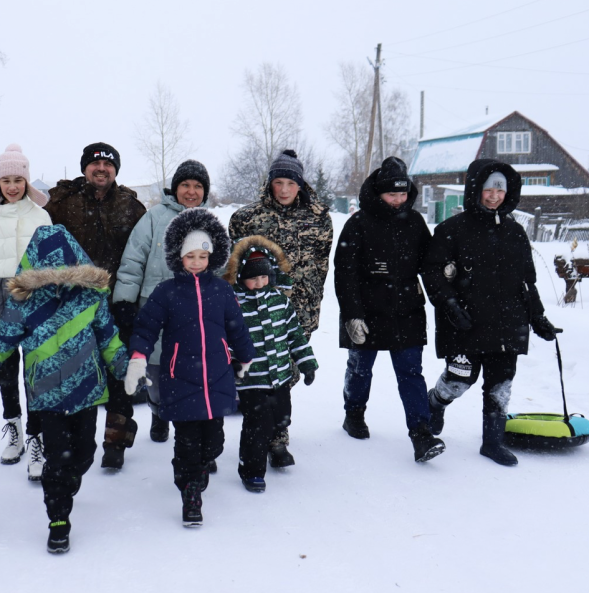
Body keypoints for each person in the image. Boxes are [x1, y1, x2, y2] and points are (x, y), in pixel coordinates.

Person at [0, 225, 128, 554]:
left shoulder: (90, 297)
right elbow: (5, 335)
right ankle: (58, 517)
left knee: (85, 454)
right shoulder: (25, 303)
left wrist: (123, 365)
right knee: (57, 459)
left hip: (87, 391)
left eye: (64, 273)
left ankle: (67, 483)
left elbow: (108, 335)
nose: (56, 279)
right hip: (46, 396)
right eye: (48, 274)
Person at [421, 159, 562, 466]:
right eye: (488, 190)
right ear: (476, 190)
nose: (495, 196)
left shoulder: (515, 233)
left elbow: (527, 282)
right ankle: (435, 403)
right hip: (464, 323)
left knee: (501, 383)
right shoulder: (451, 230)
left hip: (506, 325)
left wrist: (537, 317)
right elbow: (432, 272)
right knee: (459, 380)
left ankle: (492, 442)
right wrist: (450, 305)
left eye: (501, 190)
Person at [125, 208, 255, 527]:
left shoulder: (222, 291)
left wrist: (245, 356)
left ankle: (199, 468)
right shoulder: (166, 293)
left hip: (216, 376)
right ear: (179, 258)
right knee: (187, 444)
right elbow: (145, 328)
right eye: (190, 256)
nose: (196, 262)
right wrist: (138, 358)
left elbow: (236, 326)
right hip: (180, 377)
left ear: (212, 256)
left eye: (202, 255)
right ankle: (191, 493)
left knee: (214, 443)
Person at [333, 157, 445, 462]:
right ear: (378, 193)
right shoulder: (358, 223)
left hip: (406, 309)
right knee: (360, 368)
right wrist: (352, 314)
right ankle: (353, 413)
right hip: (366, 311)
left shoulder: (415, 222)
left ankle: (421, 433)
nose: (398, 201)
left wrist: (445, 275)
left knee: (411, 372)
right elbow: (344, 272)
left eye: (403, 194)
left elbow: (429, 262)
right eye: (391, 195)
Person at [228, 149, 333, 467]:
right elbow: (235, 265)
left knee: (287, 375)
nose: (285, 189)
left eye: (291, 182)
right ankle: (264, 437)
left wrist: (313, 302)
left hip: (300, 310)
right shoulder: (247, 218)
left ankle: (278, 436)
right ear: (270, 184)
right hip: (258, 308)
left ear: (300, 185)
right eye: (279, 182)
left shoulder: (318, 218)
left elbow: (322, 265)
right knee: (261, 373)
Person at [45, 142, 147, 469]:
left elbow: (144, 253)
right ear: (84, 168)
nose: (101, 169)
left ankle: (115, 441)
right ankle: (74, 439)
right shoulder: (63, 204)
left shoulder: (131, 206)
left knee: (120, 373)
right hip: (76, 306)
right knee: (80, 372)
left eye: (108, 164)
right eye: (94, 164)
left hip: (119, 303)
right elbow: (41, 240)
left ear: (116, 170)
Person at [114, 159, 211, 445]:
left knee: (190, 372)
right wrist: (124, 302)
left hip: (195, 313)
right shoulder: (154, 218)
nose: (191, 192)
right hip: (155, 310)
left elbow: (220, 270)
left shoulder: (209, 222)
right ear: (175, 188)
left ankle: (190, 431)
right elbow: (133, 260)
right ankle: (158, 413)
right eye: (185, 185)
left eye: (197, 186)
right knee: (157, 371)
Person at [0, 143, 52, 478]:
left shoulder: (41, 216)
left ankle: (37, 438)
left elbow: (52, 260)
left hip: (35, 300)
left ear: (27, 181)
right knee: (7, 371)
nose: (13, 186)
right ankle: (14, 429)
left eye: (18, 179)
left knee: (35, 372)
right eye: (6, 180)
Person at [222, 235, 318, 491]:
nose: (259, 283)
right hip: (251, 379)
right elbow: (224, 339)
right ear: (240, 277)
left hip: (280, 377)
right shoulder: (233, 305)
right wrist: (230, 361)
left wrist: (306, 362)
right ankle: (251, 470)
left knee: (281, 417)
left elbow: (295, 334)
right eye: (253, 278)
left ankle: (271, 443)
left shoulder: (280, 301)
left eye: (263, 277)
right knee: (256, 423)